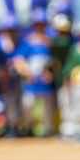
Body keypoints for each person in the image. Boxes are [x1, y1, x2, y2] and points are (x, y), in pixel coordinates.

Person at [13, 9, 56, 137]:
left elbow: (55, 61)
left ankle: (48, 130)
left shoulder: (50, 42)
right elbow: (18, 60)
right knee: (28, 106)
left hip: (45, 82)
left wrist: (51, 72)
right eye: (37, 24)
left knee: (47, 108)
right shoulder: (28, 42)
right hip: (31, 81)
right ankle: (28, 129)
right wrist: (26, 72)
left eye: (42, 24)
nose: (40, 27)